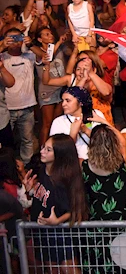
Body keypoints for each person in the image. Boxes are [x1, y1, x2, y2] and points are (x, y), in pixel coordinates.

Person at [22, 134, 87, 271]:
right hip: (43, 233)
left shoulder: (64, 179)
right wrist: (31, 191)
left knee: (68, 268)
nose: (42, 151)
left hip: (60, 235)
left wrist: (57, 221)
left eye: (48, 150)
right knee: (52, 269)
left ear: (59, 154)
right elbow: (45, 197)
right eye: (43, 147)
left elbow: (75, 209)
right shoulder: (43, 171)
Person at [82, 121, 126, 273]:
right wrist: (106, 123)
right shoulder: (124, 163)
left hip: (97, 227)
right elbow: (124, 143)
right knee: (124, 264)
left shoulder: (84, 167)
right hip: (123, 225)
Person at [1, 28, 37, 164]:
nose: (15, 41)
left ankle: (26, 166)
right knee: (7, 142)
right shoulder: (2, 57)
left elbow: (45, 56)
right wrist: (2, 45)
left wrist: (30, 44)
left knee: (27, 140)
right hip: (6, 108)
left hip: (27, 105)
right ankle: (8, 168)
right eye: (11, 38)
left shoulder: (29, 56)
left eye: (18, 38)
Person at [49, 86, 103, 160]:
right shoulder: (58, 122)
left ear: (80, 102)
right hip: (72, 162)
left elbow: (104, 141)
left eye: (68, 100)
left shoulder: (96, 115)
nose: (63, 104)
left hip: (97, 160)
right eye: (62, 100)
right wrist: (73, 135)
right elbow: (57, 150)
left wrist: (86, 130)